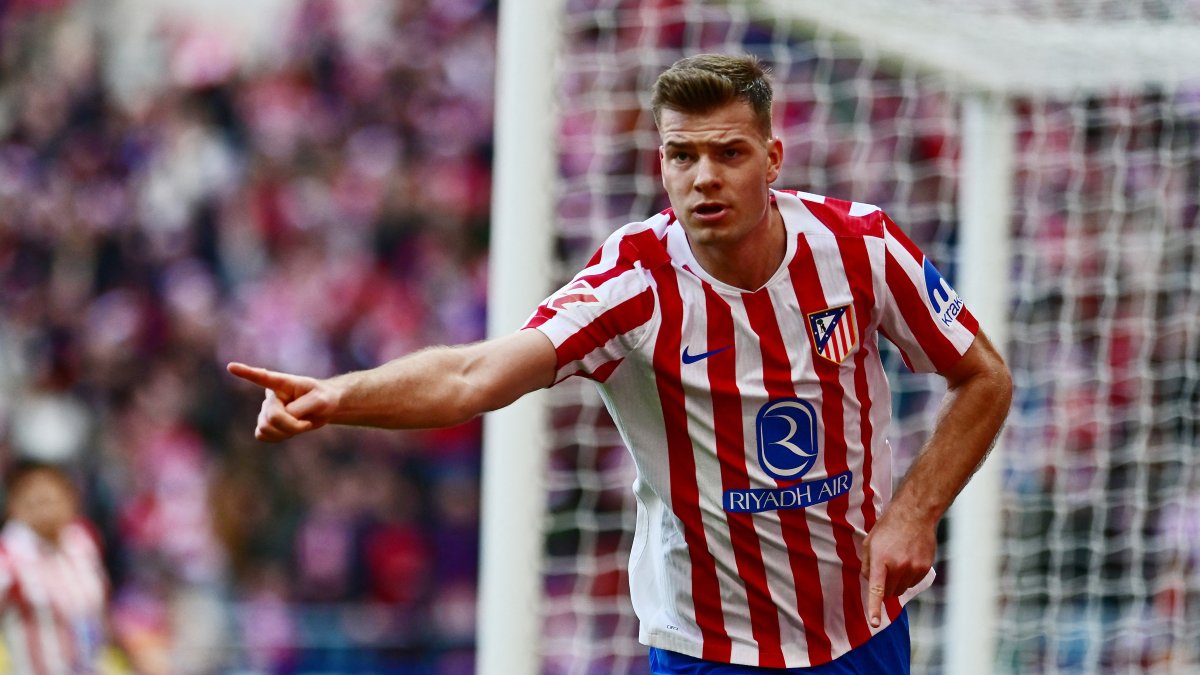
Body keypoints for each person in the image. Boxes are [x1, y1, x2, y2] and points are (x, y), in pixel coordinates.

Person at [229, 54, 1012, 673]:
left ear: (772, 157)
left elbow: (984, 376)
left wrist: (914, 510)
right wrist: (337, 394)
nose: (704, 176)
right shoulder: (634, 284)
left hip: (859, 627)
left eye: (729, 153)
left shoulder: (861, 247)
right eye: (683, 155)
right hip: (713, 644)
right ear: (662, 164)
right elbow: (473, 376)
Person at [0, 461, 108, 674]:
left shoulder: (82, 540)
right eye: (36, 501)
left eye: (51, 499)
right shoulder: (9, 554)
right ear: (15, 507)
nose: (46, 509)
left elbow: (100, 606)